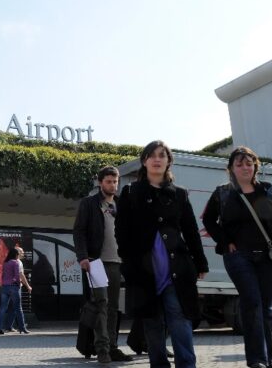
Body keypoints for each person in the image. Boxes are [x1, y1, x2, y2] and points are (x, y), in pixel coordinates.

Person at [202, 146, 272, 368]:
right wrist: (225, 241)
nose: (245, 167)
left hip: (267, 256)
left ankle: (270, 356)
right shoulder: (222, 193)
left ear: (255, 166)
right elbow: (208, 220)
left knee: (265, 306)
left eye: (249, 163)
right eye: (240, 164)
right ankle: (256, 359)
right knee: (252, 301)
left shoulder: (268, 190)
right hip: (238, 257)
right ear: (231, 169)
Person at [115, 140, 208, 368]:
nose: (157, 159)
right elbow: (122, 231)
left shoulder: (179, 194)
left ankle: (186, 365)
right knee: (152, 322)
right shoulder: (130, 192)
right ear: (144, 161)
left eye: (162, 155)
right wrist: (128, 262)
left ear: (168, 162)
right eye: (152, 155)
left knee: (179, 318)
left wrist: (200, 263)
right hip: (143, 270)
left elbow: (190, 231)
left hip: (176, 268)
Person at [73, 165, 132, 363]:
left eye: (115, 181)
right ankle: (102, 349)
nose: (113, 185)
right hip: (95, 261)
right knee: (102, 305)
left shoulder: (121, 205)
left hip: (117, 262)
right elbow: (79, 231)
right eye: (109, 181)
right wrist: (82, 257)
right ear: (100, 183)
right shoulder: (89, 204)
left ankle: (113, 347)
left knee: (114, 307)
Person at [0, 247, 32, 335]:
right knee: (18, 308)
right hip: (14, 287)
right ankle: (22, 328)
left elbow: (3, 275)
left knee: (3, 308)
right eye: (19, 253)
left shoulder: (6, 262)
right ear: (16, 254)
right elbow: (17, 275)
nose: (20, 254)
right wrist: (19, 285)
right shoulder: (16, 263)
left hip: (4, 287)